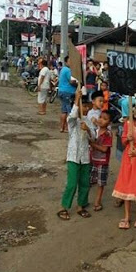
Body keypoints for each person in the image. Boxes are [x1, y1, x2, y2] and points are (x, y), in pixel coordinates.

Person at [57, 91, 96, 220]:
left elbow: (94, 137)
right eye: (83, 106)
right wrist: (76, 102)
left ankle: (81, 206)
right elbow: (72, 116)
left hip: (84, 157)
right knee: (72, 184)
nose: (86, 108)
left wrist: (88, 130)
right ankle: (64, 207)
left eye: (87, 106)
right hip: (73, 157)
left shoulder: (88, 121)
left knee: (85, 183)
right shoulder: (72, 120)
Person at [112, 104, 136, 229]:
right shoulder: (128, 124)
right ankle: (127, 216)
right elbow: (123, 142)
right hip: (128, 159)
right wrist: (127, 139)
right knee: (126, 186)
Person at [89, 111, 113, 212]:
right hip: (93, 159)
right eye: (100, 117)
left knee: (100, 183)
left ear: (109, 123)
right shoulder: (95, 130)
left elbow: (104, 149)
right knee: (90, 180)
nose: (101, 120)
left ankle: (97, 201)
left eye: (105, 119)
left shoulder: (108, 134)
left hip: (103, 162)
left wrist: (92, 144)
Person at [58, 56, 77, 133]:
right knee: (69, 111)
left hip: (62, 91)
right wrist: (78, 84)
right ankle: (66, 128)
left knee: (64, 111)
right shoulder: (68, 70)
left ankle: (62, 127)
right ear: (66, 62)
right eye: (70, 61)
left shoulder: (63, 69)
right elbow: (71, 81)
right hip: (68, 92)